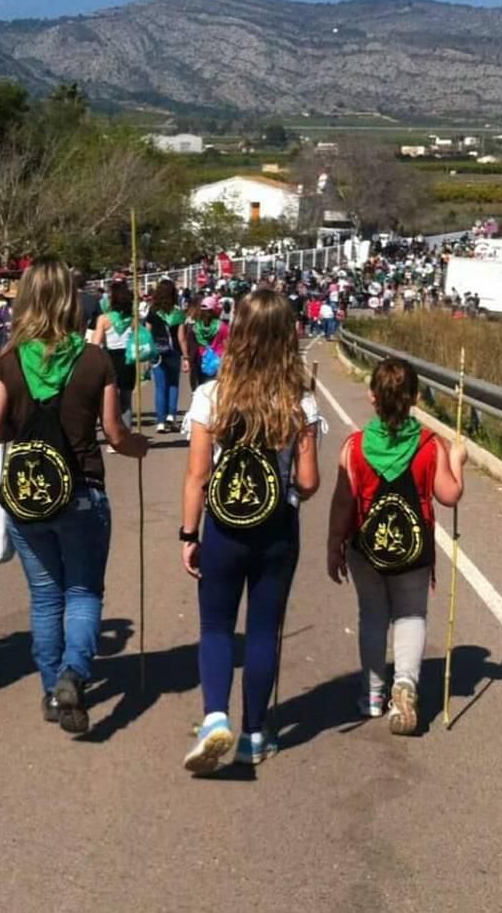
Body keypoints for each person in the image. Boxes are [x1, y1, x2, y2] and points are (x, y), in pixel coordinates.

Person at [0, 257, 148, 734]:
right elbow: (115, 434)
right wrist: (139, 447)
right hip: (82, 491)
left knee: (45, 597)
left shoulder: (7, 362)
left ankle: (52, 688)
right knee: (82, 591)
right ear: (71, 301)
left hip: (29, 496)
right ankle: (74, 673)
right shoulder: (95, 360)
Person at [180, 290, 321, 773]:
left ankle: (215, 716)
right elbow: (308, 481)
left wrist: (187, 534)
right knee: (264, 629)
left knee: (216, 626)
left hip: (223, 526)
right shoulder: (299, 400)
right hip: (277, 526)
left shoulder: (210, 395)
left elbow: (197, 475)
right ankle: (255, 734)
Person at [327, 358, 467, 735]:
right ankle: (405, 684)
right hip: (413, 551)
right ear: (415, 399)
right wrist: (458, 461)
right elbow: (449, 494)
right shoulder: (428, 446)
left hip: (365, 548)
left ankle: (372, 694)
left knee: (372, 616)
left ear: (372, 397)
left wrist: (333, 545)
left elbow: (342, 502)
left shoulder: (354, 448)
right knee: (410, 615)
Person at [91, 279, 137, 435]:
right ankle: (126, 434)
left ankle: (113, 435)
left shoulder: (104, 319)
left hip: (110, 358)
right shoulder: (133, 320)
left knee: (110, 401)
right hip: (128, 359)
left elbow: (96, 343)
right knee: (126, 400)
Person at [145, 278, 188, 433]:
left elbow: (147, 331)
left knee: (160, 387)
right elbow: (182, 337)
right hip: (173, 351)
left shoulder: (153, 310)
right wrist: (186, 357)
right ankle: (172, 416)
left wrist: (148, 351)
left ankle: (160, 422)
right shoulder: (178, 312)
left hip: (157, 351)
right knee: (173, 384)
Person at [192, 295, 229, 385]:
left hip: (202, 360)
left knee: (202, 387)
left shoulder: (196, 327)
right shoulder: (222, 327)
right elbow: (228, 345)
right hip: (218, 362)